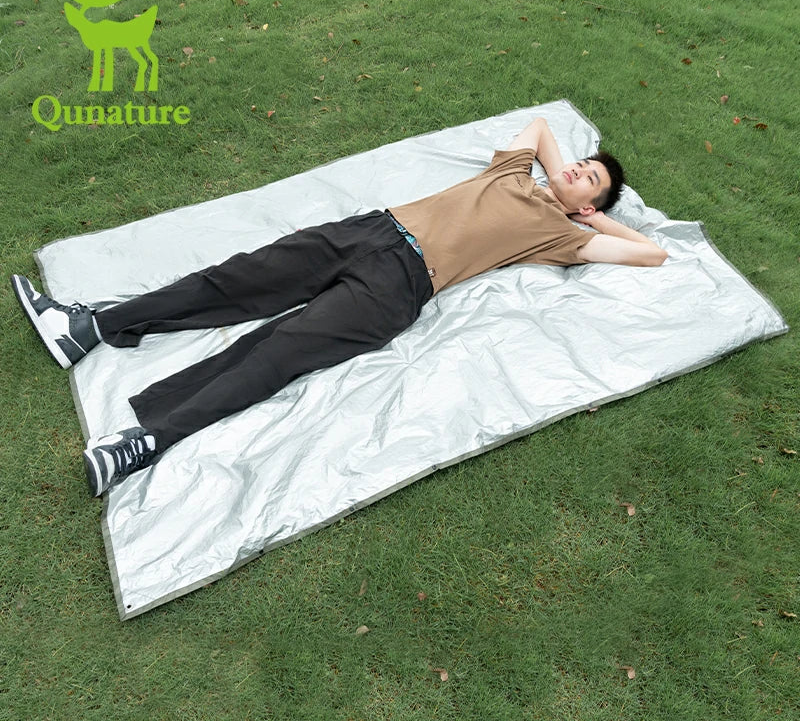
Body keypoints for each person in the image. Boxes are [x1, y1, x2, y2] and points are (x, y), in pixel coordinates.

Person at [11, 117, 667, 498]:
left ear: (590, 206)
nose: (575, 169)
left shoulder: (560, 237)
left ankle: (145, 442)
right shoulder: (512, 172)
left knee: (274, 355)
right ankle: (88, 326)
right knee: (232, 280)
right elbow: (543, 128)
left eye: (590, 178)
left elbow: (651, 255)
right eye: (580, 163)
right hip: (370, 231)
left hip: (400, 288)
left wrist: (590, 216)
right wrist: (567, 173)